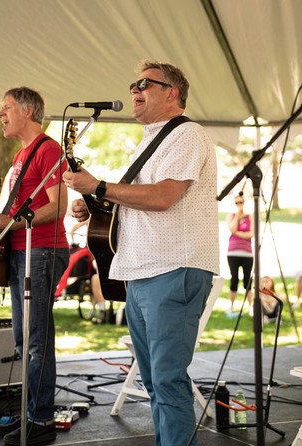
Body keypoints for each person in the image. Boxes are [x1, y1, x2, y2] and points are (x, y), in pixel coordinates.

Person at [63, 60, 219, 446]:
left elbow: (164, 196)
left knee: (167, 380)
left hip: (174, 269)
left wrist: (99, 187)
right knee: (154, 382)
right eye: (133, 83)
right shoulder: (150, 140)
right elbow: (133, 199)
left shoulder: (187, 134)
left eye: (144, 84)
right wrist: (96, 205)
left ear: (172, 92)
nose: (134, 89)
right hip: (141, 273)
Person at [0, 87, 69, 446]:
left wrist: (11, 225)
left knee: (36, 339)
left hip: (42, 250)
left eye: (7, 107)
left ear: (28, 111)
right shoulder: (21, 156)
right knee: (23, 338)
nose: (1, 113)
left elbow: (58, 204)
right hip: (20, 250)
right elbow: (14, 213)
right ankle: (32, 412)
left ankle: (41, 419)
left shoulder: (49, 149)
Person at [226, 192, 254, 316]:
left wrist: (237, 233)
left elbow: (251, 234)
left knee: (248, 280)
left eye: (241, 202)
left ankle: (250, 307)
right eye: (236, 203)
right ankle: (231, 307)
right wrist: (237, 216)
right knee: (234, 279)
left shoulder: (250, 216)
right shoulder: (231, 215)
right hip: (233, 252)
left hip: (247, 253)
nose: (239, 205)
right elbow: (231, 228)